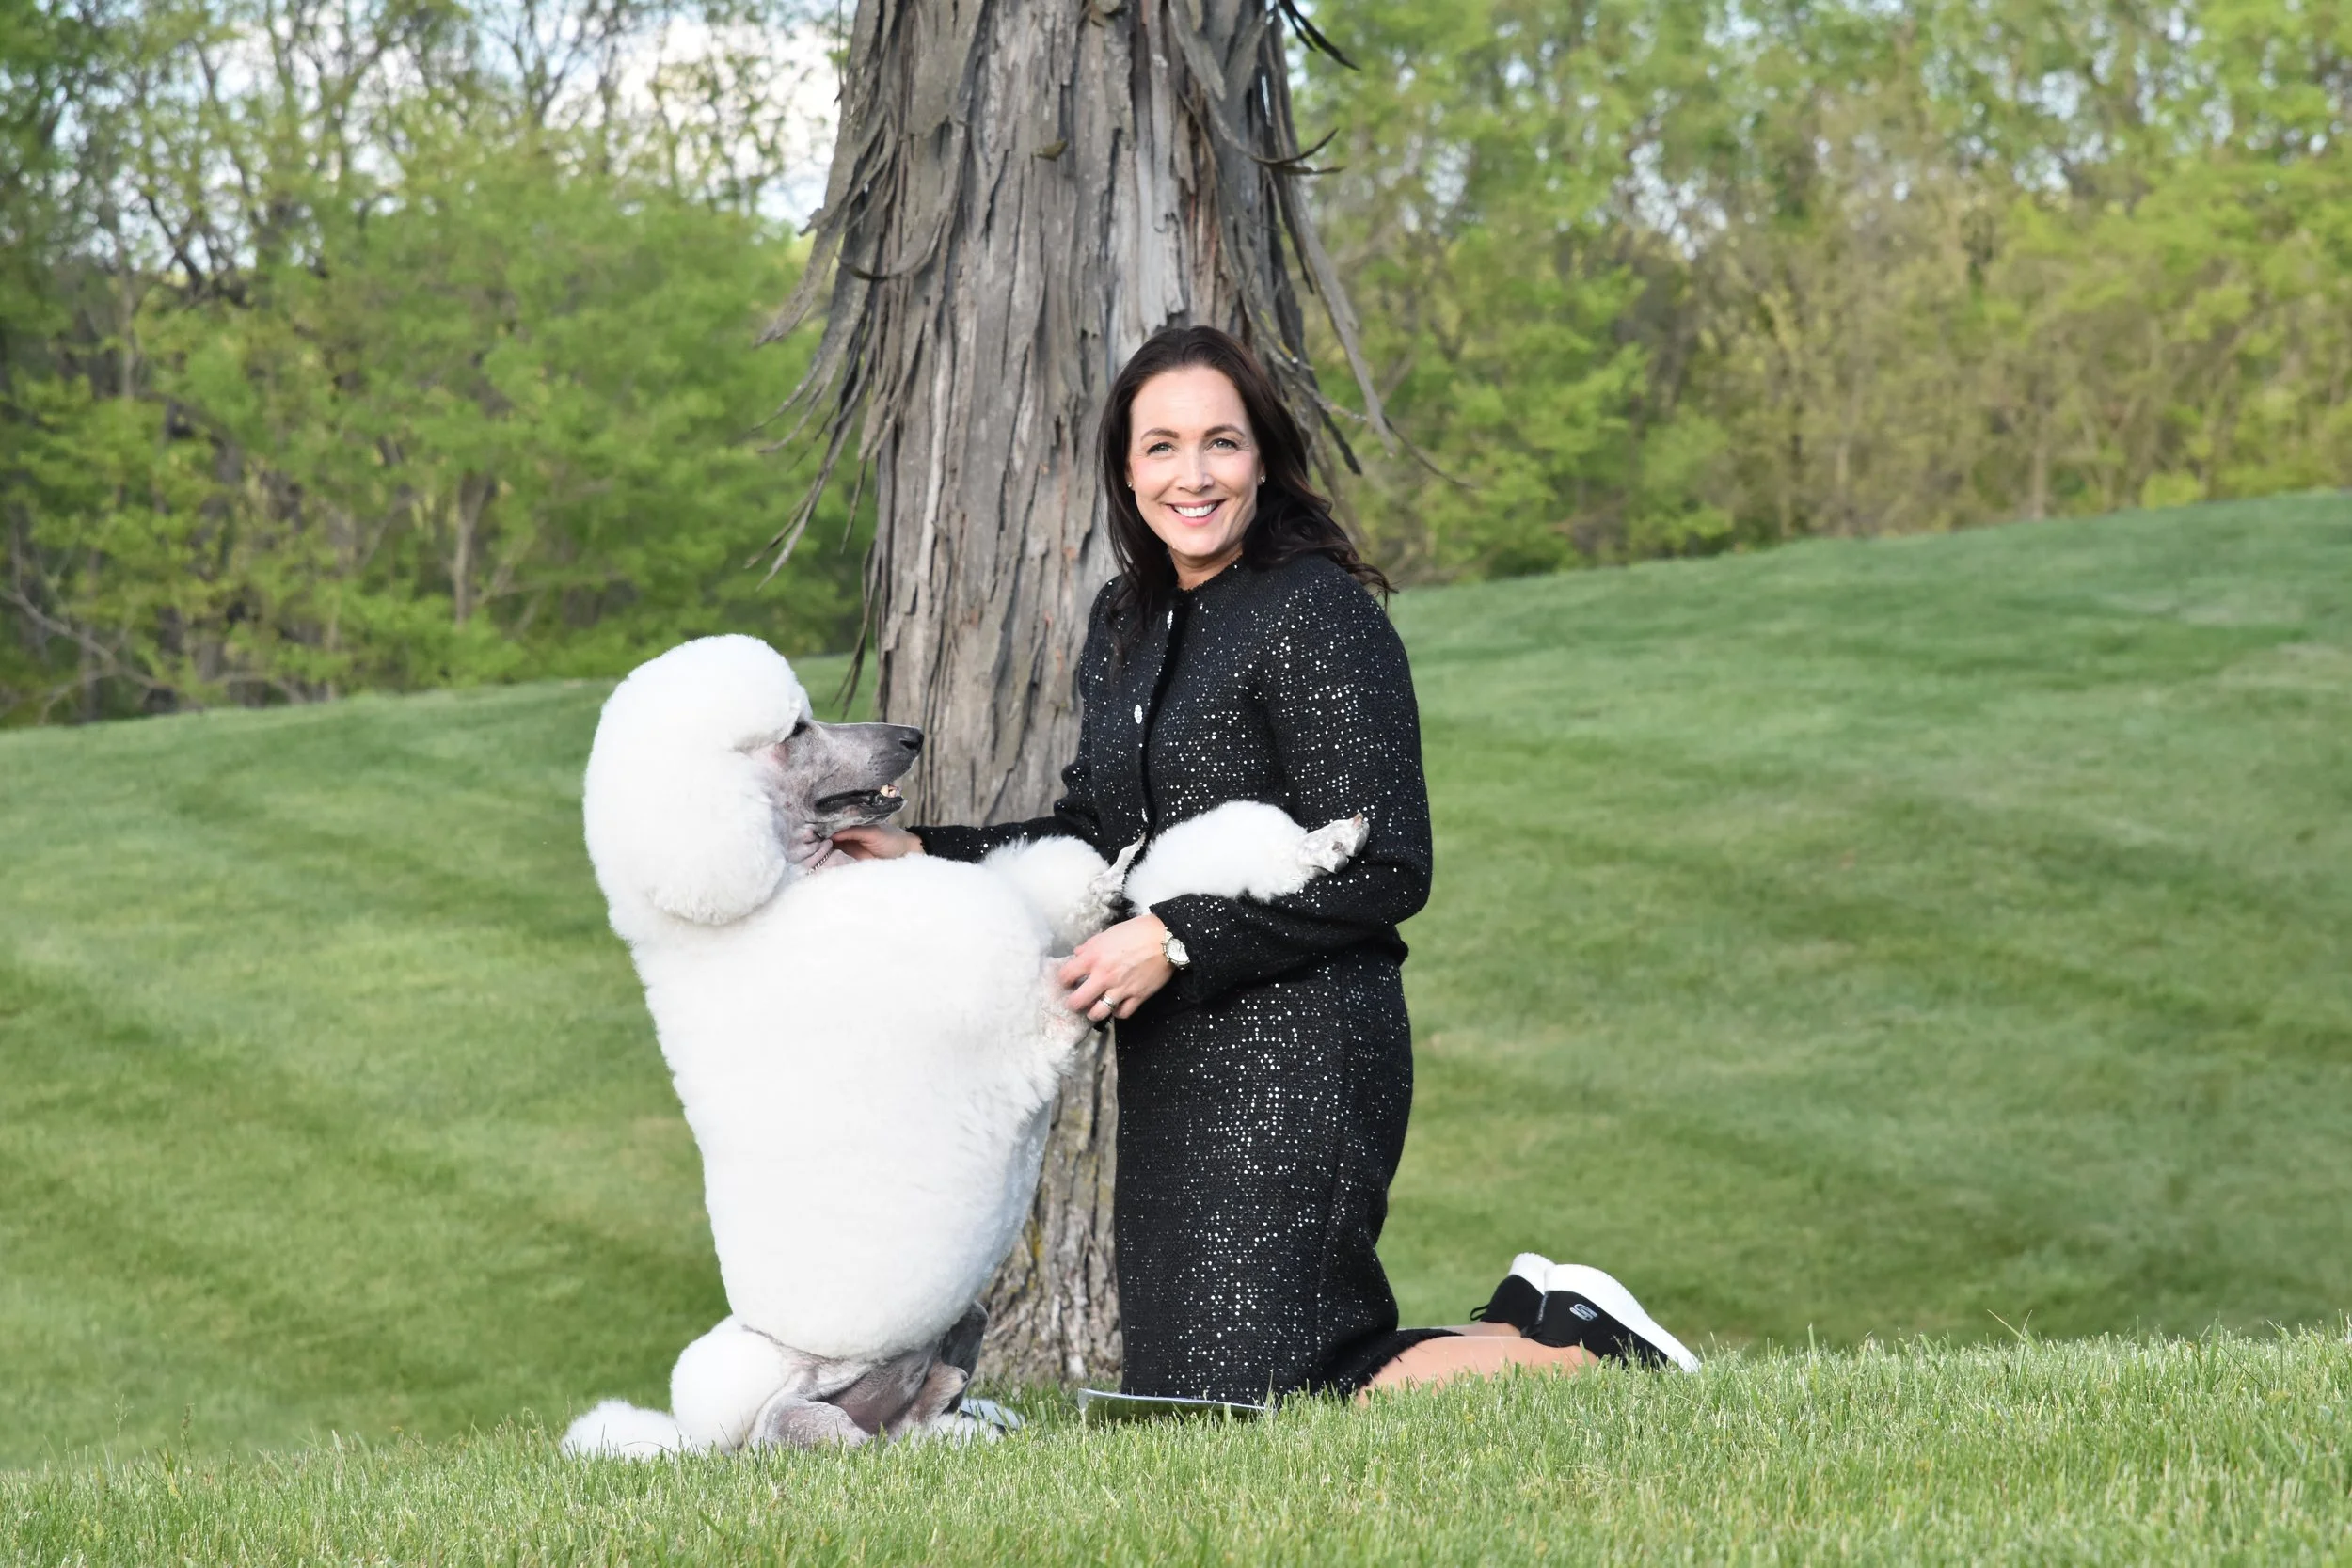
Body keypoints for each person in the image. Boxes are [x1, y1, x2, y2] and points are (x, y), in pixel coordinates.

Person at [834, 325, 1695, 1401]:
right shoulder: (1126, 621)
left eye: (1219, 443)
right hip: (1174, 1060)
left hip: (1306, 1043)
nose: (1190, 475)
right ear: (1124, 467)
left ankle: (1587, 1351)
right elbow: (1100, 835)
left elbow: (1389, 863)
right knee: (1197, 1403)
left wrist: (1181, 933)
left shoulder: (1316, 613)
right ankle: (1541, 1324)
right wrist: (922, 849)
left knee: (1270, 1393)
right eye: (1160, 446)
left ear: (1263, 458)